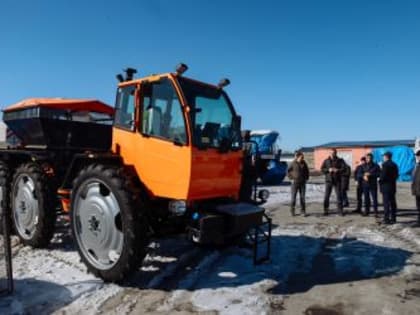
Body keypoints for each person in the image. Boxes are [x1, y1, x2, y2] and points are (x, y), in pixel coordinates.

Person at [321, 148, 345, 216]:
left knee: (339, 196)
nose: (332, 154)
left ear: (336, 153)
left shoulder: (340, 160)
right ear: (329, 153)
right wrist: (328, 170)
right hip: (329, 181)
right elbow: (322, 169)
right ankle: (326, 210)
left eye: (334, 153)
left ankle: (340, 210)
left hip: (337, 181)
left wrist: (338, 170)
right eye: (331, 153)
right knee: (326, 196)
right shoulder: (326, 161)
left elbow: (344, 168)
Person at [379, 151, 399, 224]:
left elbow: (383, 176)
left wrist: (379, 179)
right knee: (393, 202)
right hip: (392, 186)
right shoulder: (394, 164)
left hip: (385, 186)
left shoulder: (385, 165)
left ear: (386, 157)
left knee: (386, 203)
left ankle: (386, 219)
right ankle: (393, 218)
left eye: (383, 156)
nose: (383, 158)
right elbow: (397, 175)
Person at [288, 151, 310, 216]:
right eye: (301, 157)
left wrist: (306, 178)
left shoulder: (304, 163)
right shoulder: (293, 163)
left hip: (302, 183)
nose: (302, 158)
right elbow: (288, 171)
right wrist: (291, 179)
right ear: (298, 157)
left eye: (303, 157)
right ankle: (292, 211)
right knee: (293, 198)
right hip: (295, 183)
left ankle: (303, 211)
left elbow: (307, 171)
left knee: (302, 197)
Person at [239, 130, 257, 202]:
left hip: (242, 164)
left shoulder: (239, 143)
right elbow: (254, 156)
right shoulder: (252, 144)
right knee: (248, 184)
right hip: (247, 164)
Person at [411, 150, 420, 226]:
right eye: (417, 156)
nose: (417, 157)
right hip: (417, 190)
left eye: (418, 155)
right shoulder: (416, 165)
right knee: (418, 206)